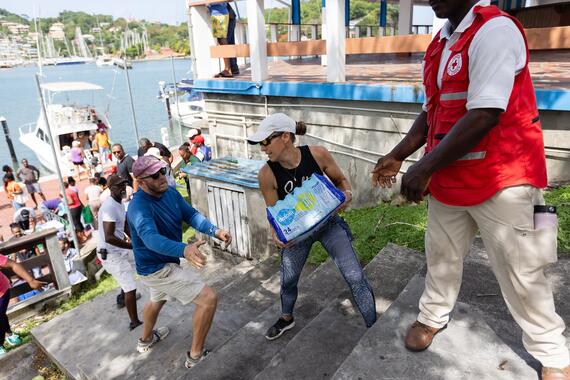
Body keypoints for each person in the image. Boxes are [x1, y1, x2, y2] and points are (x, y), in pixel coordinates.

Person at [371, 1, 569, 378]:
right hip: (450, 176)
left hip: (504, 177)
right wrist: (398, 155)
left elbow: (484, 113)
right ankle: (432, 316)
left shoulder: (495, 31)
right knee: (441, 255)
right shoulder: (442, 41)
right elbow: (434, 110)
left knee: (525, 270)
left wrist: (423, 167)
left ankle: (553, 352)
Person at [247, 113, 377, 340]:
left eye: (266, 141)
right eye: (260, 143)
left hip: (329, 224)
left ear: (285, 137)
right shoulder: (266, 174)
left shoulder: (318, 154)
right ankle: (286, 317)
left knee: (355, 276)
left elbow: (342, 182)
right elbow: (274, 214)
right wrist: (276, 235)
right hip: (298, 236)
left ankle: (374, 327)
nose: (262, 148)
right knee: (288, 280)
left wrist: (347, 194)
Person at [127, 155, 231, 368]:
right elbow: (151, 239)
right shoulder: (138, 207)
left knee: (157, 299)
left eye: (163, 171)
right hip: (156, 269)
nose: (162, 177)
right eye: (154, 176)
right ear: (141, 181)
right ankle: (195, 356)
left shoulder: (170, 193)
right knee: (208, 299)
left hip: (165, 262)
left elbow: (191, 216)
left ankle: (145, 340)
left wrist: (215, 231)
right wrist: (184, 249)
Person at [97, 174, 142, 330]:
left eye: (124, 185)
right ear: (110, 188)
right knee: (131, 287)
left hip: (119, 249)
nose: (122, 188)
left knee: (138, 264)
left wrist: (134, 239)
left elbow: (122, 225)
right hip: (110, 253)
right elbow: (109, 237)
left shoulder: (120, 202)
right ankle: (134, 322)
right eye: (118, 186)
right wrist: (130, 246)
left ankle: (122, 298)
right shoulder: (109, 206)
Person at [0, 254, 45, 357]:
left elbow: (13, 264)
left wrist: (31, 280)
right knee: (1, 315)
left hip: (2, 291)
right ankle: (10, 334)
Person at [208, 2, 233, 78]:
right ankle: (227, 69)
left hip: (219, 14)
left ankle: (228, 69)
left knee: (222, 40)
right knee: (220, 40)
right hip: (217, 13)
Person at [64, 181, 87, 245]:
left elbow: (71, 201)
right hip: (78, 207)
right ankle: (84, 236)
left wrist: (65, 203)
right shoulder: (71, 190)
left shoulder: (66, 192)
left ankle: (81, 238)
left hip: (74, 208)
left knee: (76, 223)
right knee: (78, 222)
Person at [226, 3, 240, 76]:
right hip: (230, 17)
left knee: (227, 43)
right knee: (229, 43)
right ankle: (234, 68)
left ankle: (233, 68)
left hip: (229, 18)